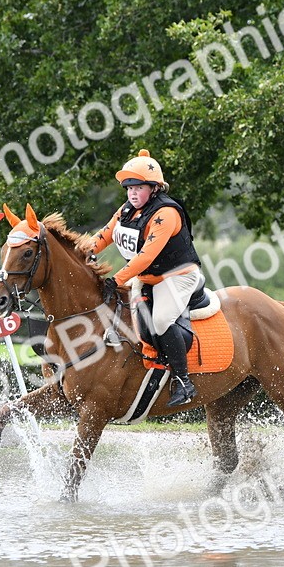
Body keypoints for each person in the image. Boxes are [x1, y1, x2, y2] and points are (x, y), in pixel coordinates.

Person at [86, 149, 206, 406]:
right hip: (147, 277)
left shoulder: (166, 214)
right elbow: (105, 235)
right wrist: (83, 252)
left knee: (161, 320)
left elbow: (146, 256)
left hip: (177, 277)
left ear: (153, 188)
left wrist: (116, 279)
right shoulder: (127, 209)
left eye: (138, 187)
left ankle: (184, 382)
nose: (132, 193)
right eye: (128, 188)